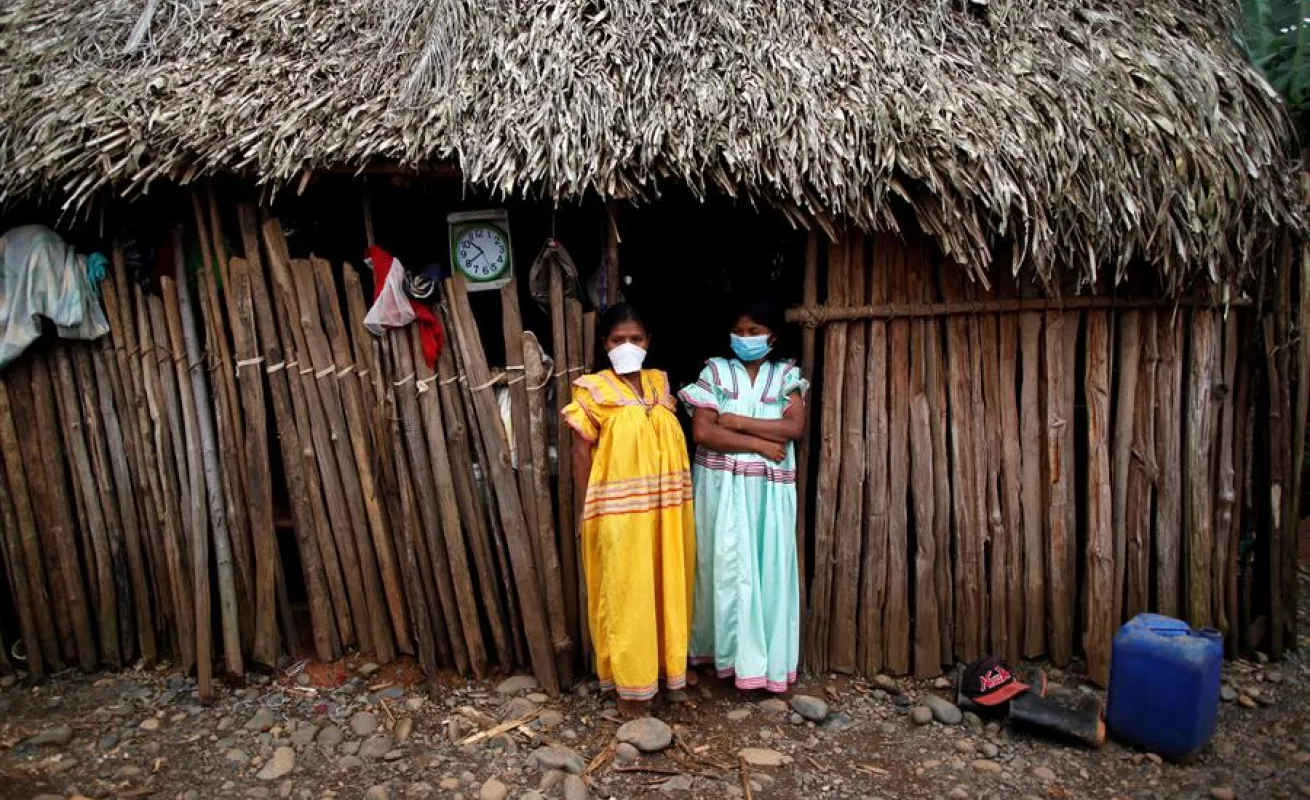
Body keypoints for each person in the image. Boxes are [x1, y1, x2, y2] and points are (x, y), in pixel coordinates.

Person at [561, 303, 696, 717]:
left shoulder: (660, 384)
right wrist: (586, 511)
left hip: (667, 510)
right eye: (618, 340)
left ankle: (668, 669)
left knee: (669, 583)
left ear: (648, 342)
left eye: (635, 339)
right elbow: (580, 455)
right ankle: (630, 687)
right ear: (605, 344)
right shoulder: (592, 390)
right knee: (627, 591)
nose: (627, 346)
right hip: (619, 512)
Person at [678, 296, 806, 694]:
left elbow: (792, 430)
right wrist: (758, 444)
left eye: (754, 332)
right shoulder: (715, 372)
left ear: (773, 337)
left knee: (765, 569)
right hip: (721, 489)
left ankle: (760, 665)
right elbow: (703, 433)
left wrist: (733, 421)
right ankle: (720, 657)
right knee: (721, 566)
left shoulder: (787, 375)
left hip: (768, 493)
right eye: (739, 331)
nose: (745, 337)